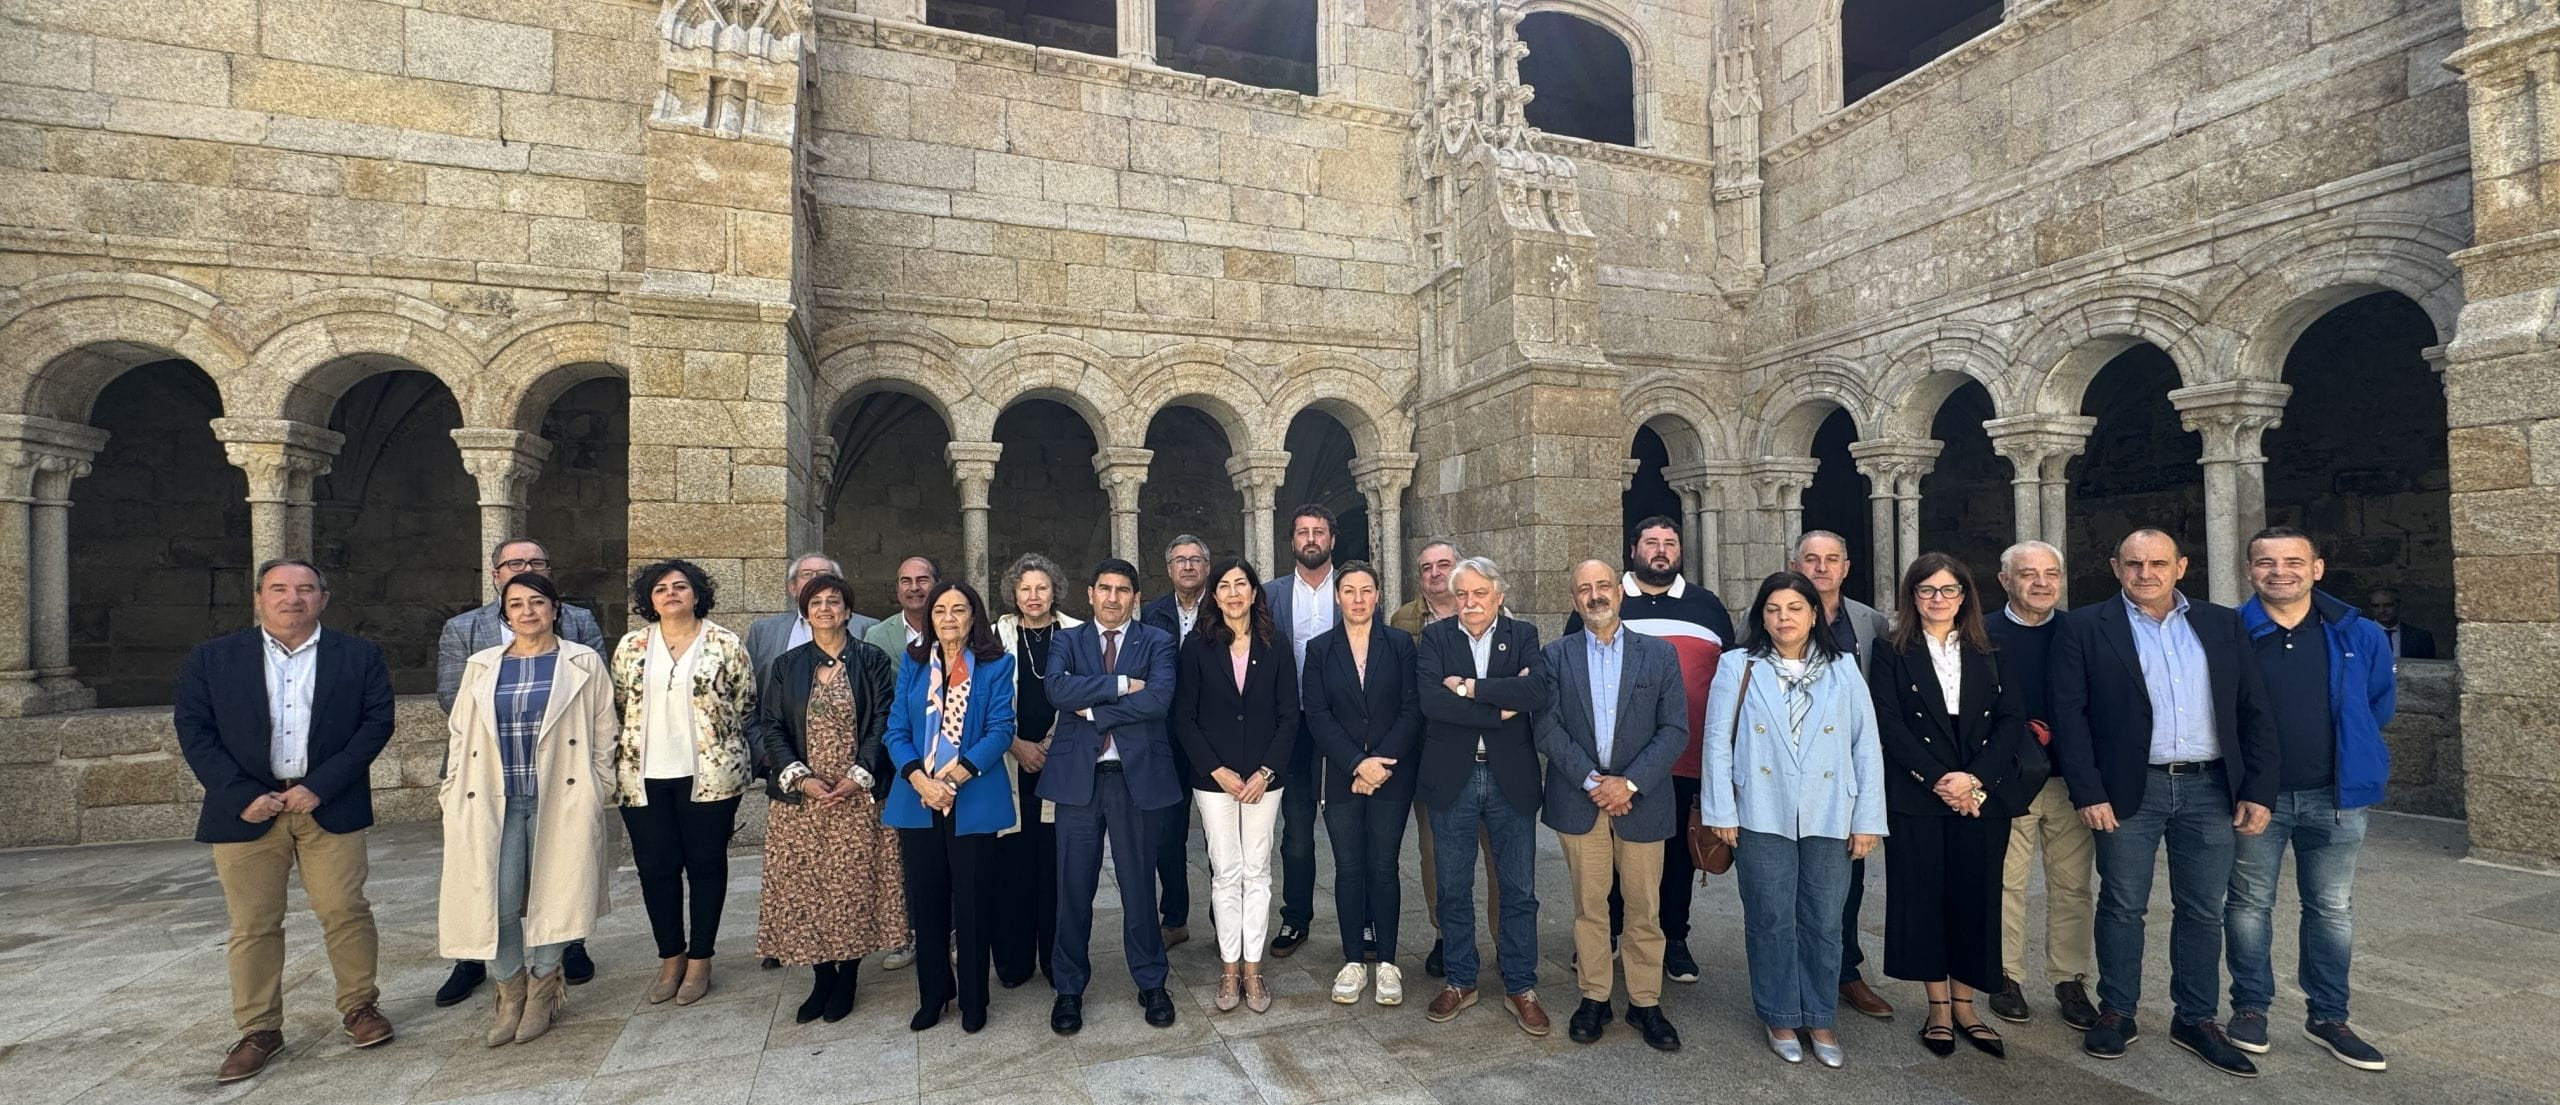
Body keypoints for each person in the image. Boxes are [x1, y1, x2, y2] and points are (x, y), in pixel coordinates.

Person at [2049, 528, 2280, 1076]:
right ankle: (2118, 1011)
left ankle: (2196, 1018)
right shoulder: (2085, 627)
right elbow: (2069, 718)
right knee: (2123, 904)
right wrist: (2089, 791)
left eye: (2157, 563)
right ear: (2115, 567)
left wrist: (2257, 789)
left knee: (2202, 909)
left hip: (2210, 786)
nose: (2145, 573)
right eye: (2133, 563)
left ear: (2181, 566)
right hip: (2132, 789)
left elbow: (2253, 711)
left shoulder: (2221, 624)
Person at [173, 559, 397, 1084]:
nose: (291, 598)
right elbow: (194, 729)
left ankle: (360, 1007)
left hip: (326, 804)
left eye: (304, 589)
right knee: (253, 924)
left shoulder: (358, 655)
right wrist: (242, 794)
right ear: (258, 598)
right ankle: (258, 1029)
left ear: (323, 597)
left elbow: (375, 723)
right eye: (278, 589)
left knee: (345, 908)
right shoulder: (213, 659)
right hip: (247, 810)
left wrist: (320, 786)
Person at [1701, 571, 1886, 1070]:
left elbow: (1865, 746)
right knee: (1770, 917)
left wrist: (1867, 818)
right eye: (1774, 609)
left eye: (1795, 608)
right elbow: (1718, 741)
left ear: (1814, 614)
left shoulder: (1843, 667)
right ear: (1761, 617)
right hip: (1761, 808)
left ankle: (1820, 1014)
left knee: (1825, 920)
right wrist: (1721, 809)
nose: (1785, 618)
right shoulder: (1737, 666)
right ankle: (1780, 1012)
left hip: (1831, 810)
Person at [2225, 527, 2394, 1070]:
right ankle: (2250, 1008)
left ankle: (2329, 1016)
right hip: (2258, 798)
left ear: (2317, 568)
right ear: (2250, 570)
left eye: (2294, 561)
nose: (2281, 571)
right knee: (2250, 905)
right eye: (2266, 562)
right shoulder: (2231, 633)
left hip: (2336, 795)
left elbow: (2377, 704)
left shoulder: (2358, 633)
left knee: (2332, 907)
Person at [439, 572, 617, 1047]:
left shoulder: (581, 662)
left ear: (555, 608)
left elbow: (605, 730)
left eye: (537, 602)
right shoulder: (481, 665)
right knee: (491, 899)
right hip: (490, 798)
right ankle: (508, 990)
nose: (527, 612)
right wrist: (450, 789)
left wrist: (600, 786)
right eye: (515, 604)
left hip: (559, 795)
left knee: (554, 892)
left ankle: (543, 987)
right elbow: (460, 733)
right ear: (505, 614)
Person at [1868, 553, 2030, 1060]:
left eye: (1949, 590)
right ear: (1912, 597)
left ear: (1965, 596)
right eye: (1927, 591)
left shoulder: (1993, 648)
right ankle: (1937, 1007)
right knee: (1922, 900)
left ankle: (1966, 1005)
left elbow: (2011, 720)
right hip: (1920, 793)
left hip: (1981, 793)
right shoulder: (1891, 650)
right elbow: (1888, 722)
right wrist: (1940, 779)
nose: (1938, 600)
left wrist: (1975, 779)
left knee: (1976, 897)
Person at [1566, 517, 1736, 986]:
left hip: (1681, 755)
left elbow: (1729, 676)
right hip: (1608, 766)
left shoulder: (1707, 606)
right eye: (1651, 543)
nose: (1661, 551)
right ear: (1634, 550)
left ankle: (1673, 938)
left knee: (1678, 853)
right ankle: (1610, 935)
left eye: (1670, 543)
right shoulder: (1606, 600)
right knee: (1608, 854)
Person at [1536, 560, 1689, 1052]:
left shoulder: (1658, 655)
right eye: (1584, 589)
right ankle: (1595, 995)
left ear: (1620, 593)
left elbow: (1674, 730)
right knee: (1590, 904)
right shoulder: (1554, 655)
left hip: (1640, 800)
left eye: (1603, 586)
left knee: (1645, 908)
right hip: (1580, 799)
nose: (1595, 595)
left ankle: (1645, 1001)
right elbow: (1547, 727)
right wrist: (1592, 781)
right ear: (1573, 599)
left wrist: (1629, 784)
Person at [750, 573, 906, 1025]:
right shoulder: (788, 664)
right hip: (805, 799)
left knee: (853, 888)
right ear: (805, 611)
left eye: (833, 601)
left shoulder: (870, 659)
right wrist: (802, 778)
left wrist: (860, 775)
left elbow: (883, 718)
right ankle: (821, 977)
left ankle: (849, 976)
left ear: (847, 610)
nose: (825, 609)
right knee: (808, 889)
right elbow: (772, 725)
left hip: (857, 796)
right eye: (815, 602)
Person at [1041, 558, 1183, 1035]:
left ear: (1135, 597)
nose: (1113, 598)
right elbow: (1058, 691)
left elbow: (1159, 699)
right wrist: (1121, 686)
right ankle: (1069, 988)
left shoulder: (1159, 641)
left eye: (1124, 590)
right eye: (1105, 588)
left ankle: (1151, 980)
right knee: (1072, 887)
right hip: (1078, 782)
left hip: (1133, 779)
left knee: (1140, 885)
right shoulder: (1066, 639)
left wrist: (1096, 712)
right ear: (1089, 592)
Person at [1415, 556, 1554, 1036]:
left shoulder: (1524, 636)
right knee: (1453, 888)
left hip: (1508, 779)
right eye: (1462, 595)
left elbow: (1535, 691)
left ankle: (1520, 984)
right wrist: (1499, 710)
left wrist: (1470, 688)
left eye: (1479, 594)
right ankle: (1460, 979)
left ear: (1499, 595)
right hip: (1452, 777)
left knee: (1518, 889)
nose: (1470, 603)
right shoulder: (1436, 637)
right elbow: (1432, 702)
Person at [609, 559, 757, 1007]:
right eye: (660, 589)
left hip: (710, 776)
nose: (671, 594)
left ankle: (701, 958)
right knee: (656, 868)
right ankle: (670, 955)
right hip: (643, 775)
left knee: (706, 864)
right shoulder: (631, 646)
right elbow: (620, 701)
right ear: (649, 600)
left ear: (696, 594)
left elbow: (744, 701)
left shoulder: (724, 644)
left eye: (680, 586)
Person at [881, 580, 1017, 1033]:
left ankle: (975, 999)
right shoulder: (913, 666)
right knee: (928, 901)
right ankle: (934, 993)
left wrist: (953, 779)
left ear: (974, 616)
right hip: (919, 798)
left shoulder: (996, 665)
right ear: (929, 617)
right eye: (940, 610)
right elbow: (895, 731)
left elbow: (1000, 730)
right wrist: (921, 779)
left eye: (959, 610)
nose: (949, 618)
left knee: (974, 902)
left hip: (970, 796)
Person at [1172, 557, 1300, 1013]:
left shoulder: (1276, 643)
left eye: (1240, 584)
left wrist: (1265, 772)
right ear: (1214, 595)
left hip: (1265, 780)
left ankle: (1253, 968)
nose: (1232, 593)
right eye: (1223, 585)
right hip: (1215, 782)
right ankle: (1229, 970)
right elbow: (1184, 717)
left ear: (1253, 592)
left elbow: (1290, 715)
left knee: (1258, 872)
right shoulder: (1197, 646)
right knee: (1226, 872)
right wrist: (1219, 771)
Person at [1982, 541, 2099, 1030]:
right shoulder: (1982, 633)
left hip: (2070, 782)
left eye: (2051, 573)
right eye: (2028, 574)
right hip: (2009, 782)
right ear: (2004, 579)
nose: (2042, 583)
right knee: (2005, 882)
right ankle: (2005, 975)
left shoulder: (2083, 632)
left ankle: (2070, 979)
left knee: (2073, 886)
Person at [1307, 560, 1422, 1007]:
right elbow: (1317, 715)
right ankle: (1354, 960)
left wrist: (1379, 765)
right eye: (1349, 591)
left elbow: (1412, 709)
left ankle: (1388, 963)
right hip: (1340, 776)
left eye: (1366, 590)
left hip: (1391, 775)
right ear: (1337, 598)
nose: (1358, 599)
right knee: (1349, 867)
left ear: (1378, 596)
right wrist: (1357, 763)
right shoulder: (1320, 650)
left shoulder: (1399, 646)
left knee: (1384, 866)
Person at [1794, 529, 1895, 1020]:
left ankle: (1845, 970)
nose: (1821, 568)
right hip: (1786, 774)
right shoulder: (1773, 617)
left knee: (1847, 877)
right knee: (1785, 879)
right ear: (1796, 565)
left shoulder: (1871, 624)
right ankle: (1793, 969)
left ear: (1847, 567)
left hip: (1845, 775)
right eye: (1811, 559)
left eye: (1831, 559)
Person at [1391, 537, 1498, 978]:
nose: (1435, 574)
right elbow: (1419, 695)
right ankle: (1446, 937)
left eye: (1444, 565)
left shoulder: (1501, 621)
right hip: (1430, 755)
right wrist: (1491, 702)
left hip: (1494, 758)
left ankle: (1503, 941)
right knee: (1436, 855)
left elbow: (1525, 689)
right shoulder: (1403, 621)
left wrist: (1472, 695)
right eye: (1427, 568)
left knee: (1497, 858)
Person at [993, 552, 1081, 987]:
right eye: (1025, 588)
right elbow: (983, 701)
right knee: (1012, 865)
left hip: (1059, 761)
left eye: (1041, 588)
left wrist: (1048, 744)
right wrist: (1016, 744)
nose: (1033, 596)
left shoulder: (1076, 634)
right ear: (1014, 592)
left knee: (1054, 866)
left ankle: (1054, 959)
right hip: (1008, 761)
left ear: (1054, 591)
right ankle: (1013, 961)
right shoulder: (996, 636)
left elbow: (1085, 694)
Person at [1263, 504, 1338, 959]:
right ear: (1291, 541)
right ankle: (1296, 918)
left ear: (1332, 539)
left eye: (1319, 531)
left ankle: (1365, 917)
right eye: (1303, 532)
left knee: (1353, 827)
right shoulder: (1271, 595)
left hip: (1340, 727)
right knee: (1296, 831)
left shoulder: (1351, 592)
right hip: (1290, 728)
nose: (1311, 538)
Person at [863, 554, 941, 972]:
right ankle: (911, 933)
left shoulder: (954, 623)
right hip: (903, 758)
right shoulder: (879, 635)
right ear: (897, 589)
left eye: (923, 579)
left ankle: (955, 931)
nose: (914, 587)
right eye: (906, 581)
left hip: (951, 757)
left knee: (953, 848)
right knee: (909, 853)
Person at [1139, 534, 1212, 949]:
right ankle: (1175, 917)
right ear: (1168, 569)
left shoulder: (1221, 610)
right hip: (1165, 738)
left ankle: (1225, 922)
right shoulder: (1152, 615)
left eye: (1195, 559)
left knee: (1221, 832)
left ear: (1207, 567)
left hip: (1211, 736)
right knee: (1169, 832)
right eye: (1179, 560)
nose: (1187, 566)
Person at [747, 552, 881, 690]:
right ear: (792, 587)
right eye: (806, 574)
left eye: (823, 574)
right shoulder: (763, 631)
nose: (814, 580)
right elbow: (749, 688)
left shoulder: (868, 627)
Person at [2365, 587, 2436, 660]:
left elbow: (2428, 668)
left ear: (2399, 605)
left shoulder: (2421, 638)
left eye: (2388, 605)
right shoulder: (2359, 636)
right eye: (2376, 606)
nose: (2382, 610)